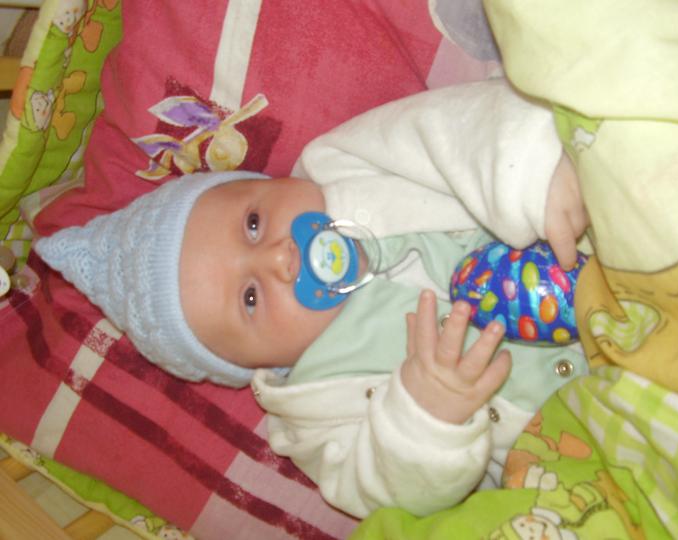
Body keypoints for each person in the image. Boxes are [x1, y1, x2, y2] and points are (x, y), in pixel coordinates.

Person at [35, 79, 589, 518]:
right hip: (585, 439)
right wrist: (427, 417)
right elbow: (381, 495)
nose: (280, 259)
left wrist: (533, 173)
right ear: (257, 365)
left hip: (597, 252)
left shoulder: (348, 163)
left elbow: (451, 128)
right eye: (250, 299)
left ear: (268, 182)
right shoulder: (312, 409)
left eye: (253, 224)